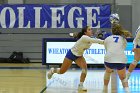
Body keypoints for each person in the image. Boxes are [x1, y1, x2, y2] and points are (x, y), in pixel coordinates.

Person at [47, 26, 104, 91]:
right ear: (85, 32)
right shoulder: (84, 37)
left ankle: (80, 85)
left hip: (79, 56)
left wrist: (102, 41)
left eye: (91, 29)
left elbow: (96, 40)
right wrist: (105, 41)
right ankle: (52, 70)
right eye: (89, 30)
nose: (91, 30)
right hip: (71, 54)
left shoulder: (90, 38)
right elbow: (96, 40)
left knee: (84, 69)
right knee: (62, 71)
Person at [102, 23, 130, 93]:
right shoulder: (123, 39)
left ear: (112, 31)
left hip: (109, 59)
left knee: (108, 72)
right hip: (121, 59)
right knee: (123, 78)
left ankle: (104, 89)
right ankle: (127, 91)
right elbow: (123, 49)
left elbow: (107, 49)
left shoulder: (107, 39)